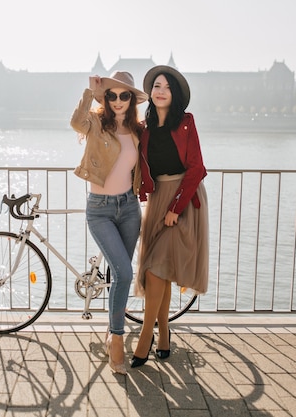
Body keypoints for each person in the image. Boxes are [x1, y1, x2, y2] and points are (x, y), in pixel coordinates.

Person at [70, 71, 148, 375]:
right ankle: (116, 338)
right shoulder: (94, 122)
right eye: (112, 95)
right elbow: (76, 122)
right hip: (100, 210)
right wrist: (91, 92)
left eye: (123, 95)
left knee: (121, 275)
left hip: (129, 207)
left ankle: (111, 330)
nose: (117, 100)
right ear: (107, 98)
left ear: (131, 100)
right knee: (125, 272)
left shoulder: (138, 130)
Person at [131, 65, 209, 368]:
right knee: (157, 273)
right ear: (151, 93)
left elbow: (196, 168)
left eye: (166, 87)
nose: (160, 91)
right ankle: (163, 332)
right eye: (156, 86)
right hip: (157, 199)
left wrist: (176, 208)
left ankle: (144, 338)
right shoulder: (144, 127)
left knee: (156, 268)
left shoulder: (186, 123)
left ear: (174, 95)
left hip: (184, 200)